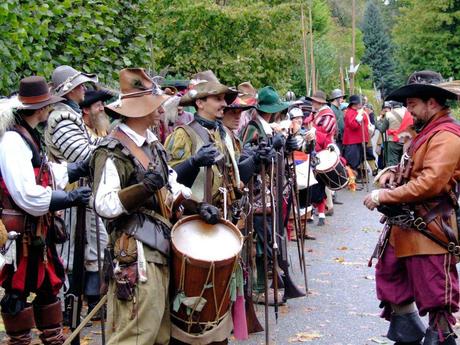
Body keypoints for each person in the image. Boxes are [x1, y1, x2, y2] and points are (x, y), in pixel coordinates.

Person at [92, 68, 219, 345]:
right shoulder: (112, 150)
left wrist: (198, 207)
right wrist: (143, 188)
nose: (162, 109)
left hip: (158, 248)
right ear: (140, 110)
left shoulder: (154, 146)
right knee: (136, 336)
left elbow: (172, 189)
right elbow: (104, 204)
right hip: (135, 251)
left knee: (160, 335)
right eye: (156, 104)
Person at [364, 70, 460, 345]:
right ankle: (408, 336)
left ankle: (440, 338)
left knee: (435, 295)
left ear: (433, 103)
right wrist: (394, 171)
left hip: (431, 229)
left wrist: (383, 196)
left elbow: (431, 183)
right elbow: (416, 168)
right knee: (392, 280)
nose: (409, 112)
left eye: (413, 105)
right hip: (407, 227)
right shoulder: (428, 132)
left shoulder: (447, 136)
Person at [0, 76, 91, 345]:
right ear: (40, 108)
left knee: (48, 290)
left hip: (38, 231)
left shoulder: (27, 134)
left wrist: (74, 170)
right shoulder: (13, 141)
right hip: (22, 234)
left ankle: (53, 340)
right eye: (47, 105)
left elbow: (43, 173)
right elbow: (25, 193)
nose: (49, 109)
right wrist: (68, 197)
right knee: (17, 293)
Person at [375, 100, 414, 167]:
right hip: (406, 140)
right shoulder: (408, 112)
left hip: (393, 141)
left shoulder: (388, 114)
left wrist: (377, 122)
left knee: (392, 163)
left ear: (392, 106)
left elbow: (382, 129)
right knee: (404, 161)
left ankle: (393, 175)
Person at [342, 95, 369, 176]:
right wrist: (359, 117)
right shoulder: (350, 112)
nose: (360, 105)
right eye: (359, 103)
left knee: (356, 161)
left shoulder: (354, 112)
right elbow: (353, 126)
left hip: (356, 141)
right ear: (354, 104)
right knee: (352, 162)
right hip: (352, 141)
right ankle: (351, 180)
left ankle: (353, 179)